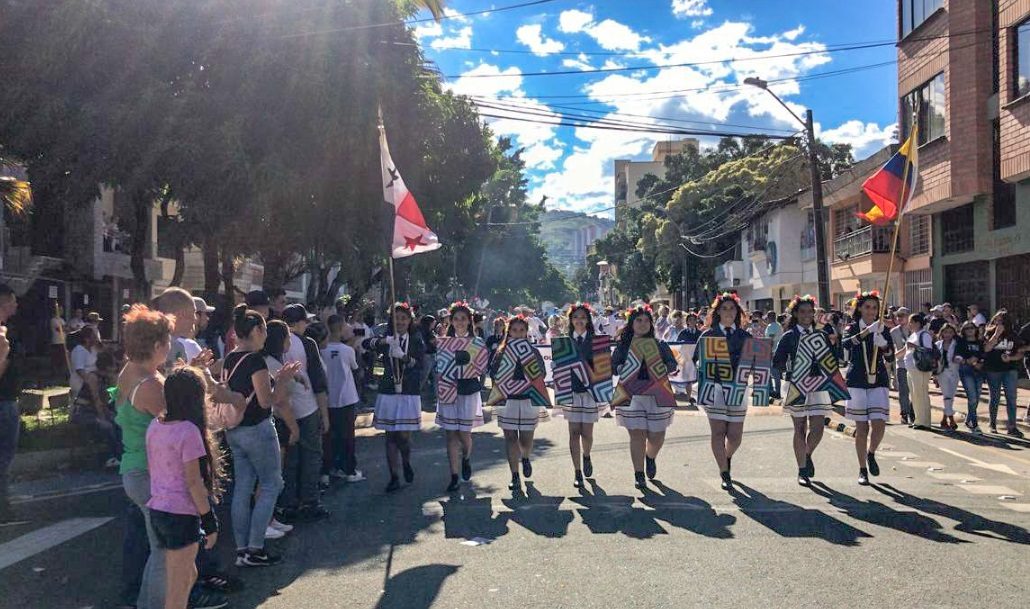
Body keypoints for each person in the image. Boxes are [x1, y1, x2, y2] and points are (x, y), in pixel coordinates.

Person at [116, 305, 223, 609]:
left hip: (137, 469)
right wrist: (195, 379)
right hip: (151, 474)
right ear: (157, 344)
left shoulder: (131, 371)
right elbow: (180, 411)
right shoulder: (151, 385)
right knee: (166, 555)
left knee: (160, 550)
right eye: (167, 340)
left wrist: (187, 371)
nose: (170, 345)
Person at [224, 306, 299, 566]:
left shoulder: (231, 358)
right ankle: (255, 548)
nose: (266, 336)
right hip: (258, 429)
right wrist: (283, 380)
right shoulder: (255, 360)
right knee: (271, 484)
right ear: (256, 330)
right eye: (264, 329)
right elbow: (267, 401)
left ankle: (242, 549)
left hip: (235, 429)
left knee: (242, 488)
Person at [145, 367, 223, 609]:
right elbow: (193, 482)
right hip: (181, 514)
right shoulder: (189, 431)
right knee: (176, 595)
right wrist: (209, 520)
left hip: (158, 509)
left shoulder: (155, 426)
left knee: (189, 574)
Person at [264, 318, 328, 521]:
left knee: (289, 460)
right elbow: (318, 381)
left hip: (283, 415)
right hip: (302, 410)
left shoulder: (263, 356)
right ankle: (309, 500)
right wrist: (324, 413)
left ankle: (288, 502)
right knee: (310, 456)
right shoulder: (306, 344)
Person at [773, 295, 831, 486]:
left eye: (810, 312)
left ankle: (806, 454)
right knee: (799, 427)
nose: (807, 315)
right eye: (803, 311)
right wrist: (791, 366)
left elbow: (832, 359)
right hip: (795, 385)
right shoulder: (789, 336)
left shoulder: (821, 334)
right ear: (796, 314)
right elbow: (777, 362)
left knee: (818, 427)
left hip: (818, 384)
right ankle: (802, 470)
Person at [695, 293, 751, 491]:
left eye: (732, 308)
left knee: (735, 436)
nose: (728, 312)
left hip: (738, 388)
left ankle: (726, 457)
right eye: (724, 308)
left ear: (738, 312)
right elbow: (696, 360)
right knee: (718, 432)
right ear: (717, 312)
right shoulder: (708, 335)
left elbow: (756, 362)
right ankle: (724, 472)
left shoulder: (745, 336)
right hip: (715, 387)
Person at [369, 303, 425, 492]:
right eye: (396, 318)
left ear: (409, 321)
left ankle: (406, 461)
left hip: (408, 391)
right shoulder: (385, 338)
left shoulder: (416, 340)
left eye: (403, 318)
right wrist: (384, 342)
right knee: (390, 436)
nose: (400, 322)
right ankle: (394, 475)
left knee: (403, 436)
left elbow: (420, 364)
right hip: (388, 391)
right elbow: (367, 345)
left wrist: (404, 357)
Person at [490, 315, 547, 492]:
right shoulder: (501, 351)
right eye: (514, 330)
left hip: (528, 400)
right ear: (509, 332)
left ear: (526, 332)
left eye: (521, 330)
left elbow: (542, 374)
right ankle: (514, 476)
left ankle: (526, 457)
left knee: (526, 439)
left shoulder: (533, 351)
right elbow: (493, 373)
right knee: (510, 438)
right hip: (507, 400)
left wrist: (530, 373)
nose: (518, 333)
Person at [842, 291, 893, 486]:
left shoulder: (883, 328)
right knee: (861, 427)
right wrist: (867, 332)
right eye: (867, 307)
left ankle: (871, 453)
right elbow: (846, 344)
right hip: (857, 380)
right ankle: (862, 468)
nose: (871, 311)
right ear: (860, 309)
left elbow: (890, 357)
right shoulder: (852, 327)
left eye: (874, 307)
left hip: (878, 380)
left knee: (879, 424)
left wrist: (884, 345)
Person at [436, 301, 485, 492]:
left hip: (468, 390)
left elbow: (480, 367)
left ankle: (466, 457)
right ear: (451, 321)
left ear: (469, 321)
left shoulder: (476, 342)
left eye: (463, 318)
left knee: (464, 433)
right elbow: (440, 366)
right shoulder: (444, 342)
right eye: (456, 319)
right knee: (450, 433)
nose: (459, 322)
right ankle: (454, 476)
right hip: (448, 388)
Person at [319, 315, 364, 484]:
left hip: (327, 399)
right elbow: (356, 368)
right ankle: (349, 469)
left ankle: (327, 470)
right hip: (346, 397)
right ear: (340, 328)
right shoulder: (348, 350)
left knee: (328, 437)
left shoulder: (321, 350)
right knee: (347, 436)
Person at [564, 303, 604, 489]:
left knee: (587, 434)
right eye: (575, 317)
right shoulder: (564, 342)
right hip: (570, 391)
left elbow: (603, 368)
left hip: (589, 393)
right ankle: (577, 472)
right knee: (573, 433)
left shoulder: (596, 341)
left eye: (582, 317)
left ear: (588, 320)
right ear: (571, 320)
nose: (579, 320)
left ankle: (586, 456)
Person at [982, 311, 1026, 437]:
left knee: (1011, 397)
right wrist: (996, 334)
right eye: (996, 320)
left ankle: (1012, 427)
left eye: (1001, 321)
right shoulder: (988, 333)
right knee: (995, 397)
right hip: (993, 369)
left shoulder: (1013, 336)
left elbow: (1020, 353)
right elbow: (986, 349)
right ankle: (992, 424)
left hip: (1010, 369)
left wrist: (1010, 358)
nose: (998, 323)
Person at [0, 285, 21, 523]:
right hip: (4, 402)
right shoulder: (3, 337)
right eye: (13, 301)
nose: (16, 305)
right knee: (4, 458)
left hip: (7, 400)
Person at [904, 313, 934, 431]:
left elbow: (928, 350)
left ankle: (924, 422)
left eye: (911, 322)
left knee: (921, 394)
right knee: (915, 395)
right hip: (911, 369)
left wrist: (914, 346)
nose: (909, 324)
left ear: (917, 323)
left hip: (920, 369)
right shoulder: (913, 335)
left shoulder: (924, 335)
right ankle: (918, 419)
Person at [956, 322, 985, 434]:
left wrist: (979, 363)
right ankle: (974, 424)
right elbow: (957, 356)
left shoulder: (980, 342)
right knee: (972, 397)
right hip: (966, 371)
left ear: (975, 329)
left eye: (972, 328)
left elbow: (983, 355)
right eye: (967, 328)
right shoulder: (961, 342)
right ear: (963, 330)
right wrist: (967, 361)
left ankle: (969, 420)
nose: (969, 330)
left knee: (976, 397)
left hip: (979, 372)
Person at [889, 307, 914, 424]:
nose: (899, 318)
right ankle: (904, 413)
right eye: (898, 315)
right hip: (901, 364)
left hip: (915, 365)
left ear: (909, 316)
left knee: (915, 391)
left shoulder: (915, 330)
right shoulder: (893, 332)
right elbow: (892, 350)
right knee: (903, 390)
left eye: (903, 315)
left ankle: (913, 412)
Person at [935, 323, 961, 431]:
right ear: (942, 333)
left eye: (950, 332)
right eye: (945, 332)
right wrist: (935, 376)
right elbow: (935, 361)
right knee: (947, 396)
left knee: (951, 396)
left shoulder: (957, 344)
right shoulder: (937, 345)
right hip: (942, 373)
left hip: (954, 372)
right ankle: (952, 420)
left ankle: (944, 419)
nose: (948, 334)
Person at [69, 325, 100, 403]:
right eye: (94, 337)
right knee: (93, 379)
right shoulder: (79, 350)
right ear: (87, 339)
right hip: (81, 382)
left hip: (95, 378)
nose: (96, 339)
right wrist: (90, 382)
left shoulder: (94, 349)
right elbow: (79, 370)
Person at [764, 311, 784, 400]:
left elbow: (770, 339)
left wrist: (768, 352)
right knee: (776, 373)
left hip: (771, 351)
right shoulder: (778, 325)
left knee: (770, 372)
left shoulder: (771, 326)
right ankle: (777, 391)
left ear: (769, 317)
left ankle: (773, 391)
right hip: (778, 351)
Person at [50, 302, 68, 377]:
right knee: (56, 358)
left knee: (63, 358)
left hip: (63, 341)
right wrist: (65, 328)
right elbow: (59, 329)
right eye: (60, 310)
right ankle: (55, 373)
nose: (61, 311)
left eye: (62, 310)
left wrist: (66, 328)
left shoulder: (62, 320)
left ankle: (62, 373)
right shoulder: (53, 320)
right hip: (56, 342)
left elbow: (66, 328)